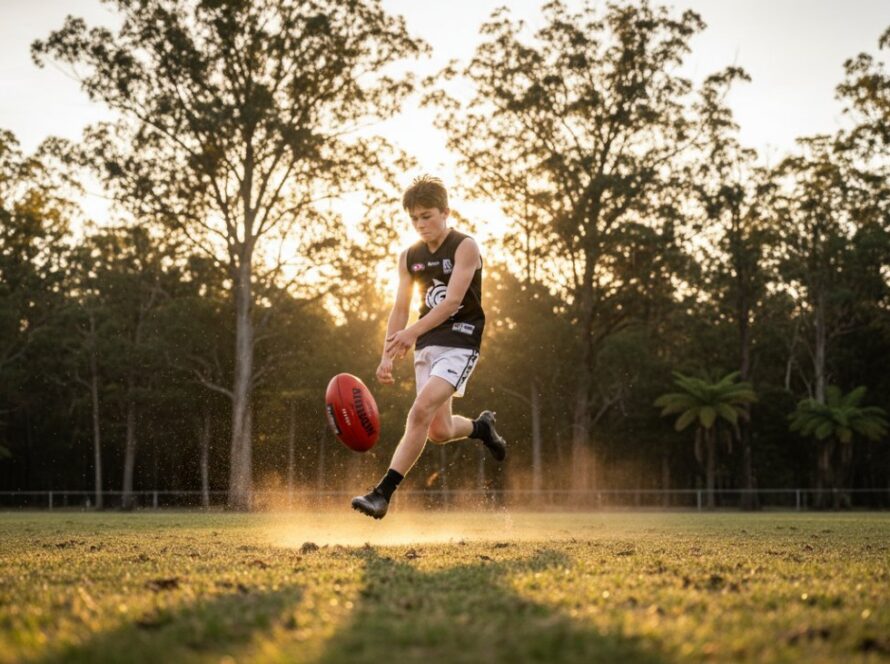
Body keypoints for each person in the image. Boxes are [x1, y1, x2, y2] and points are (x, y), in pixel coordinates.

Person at [351, 176, 506, 519]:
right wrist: (387, 352)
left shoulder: (465, 246)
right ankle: (482, 427)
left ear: (445, 212)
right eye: (414, 218)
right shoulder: (409, 256)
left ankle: (382, 494)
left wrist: (410, 333)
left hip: (461, 341)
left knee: (419, 410)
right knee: (439, 430)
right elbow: (400, 309)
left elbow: (452, 302)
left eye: (427, 216)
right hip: (428, 344)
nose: (421, 224)